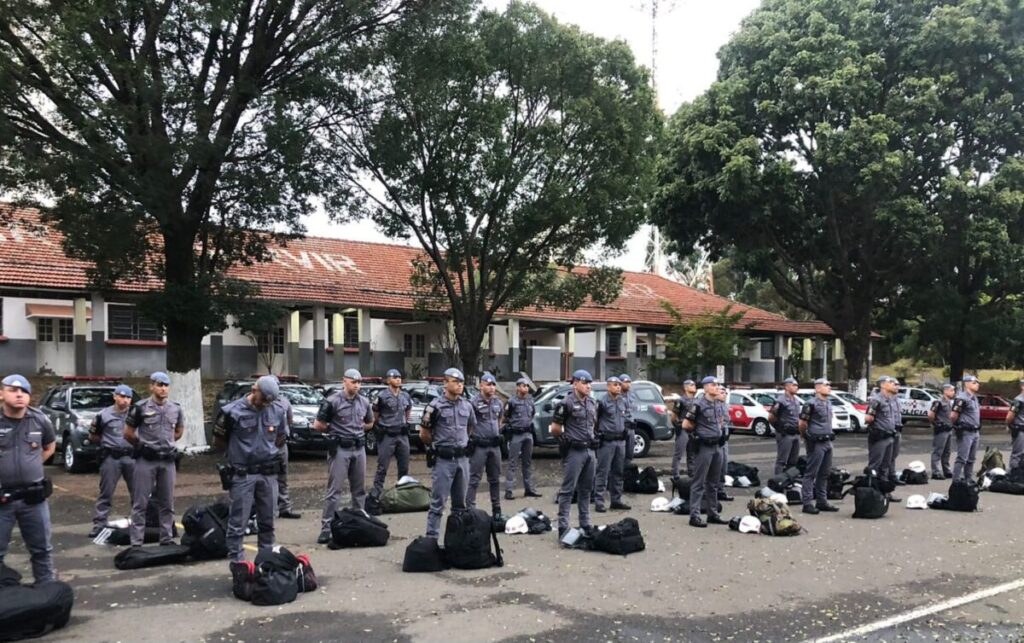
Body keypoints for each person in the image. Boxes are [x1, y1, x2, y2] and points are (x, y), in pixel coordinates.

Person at [214, 376, 287, 562]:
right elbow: (219, 442)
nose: (265, 405)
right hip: (242, 475)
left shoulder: (277, 410)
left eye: (270, 402)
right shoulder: (231, 412)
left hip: (268, 474)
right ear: (254, 391)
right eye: (263, 400)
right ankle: (238, 565)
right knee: (238, 523)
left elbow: (280, 438)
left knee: (268, 522)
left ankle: (266, 562)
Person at [0, 374, 57, 583]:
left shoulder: (40, 419)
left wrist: (31, 465)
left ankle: (47, 594)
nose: (19, 395)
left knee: (42, 551)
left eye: (24, 391)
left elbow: (49, 447)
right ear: (1, 393)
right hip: (2, 500)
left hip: (33, 498)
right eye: (13, 390)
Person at [314, 368, 374, 544]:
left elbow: (370, 422)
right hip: (340, 448)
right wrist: (335, 431)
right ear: (344, 381)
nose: (357, 386)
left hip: (359, 448)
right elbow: (318, 424)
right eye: (353, 382)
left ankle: (360, 525)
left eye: (359, 383)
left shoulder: (364, 402)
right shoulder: (332, 401)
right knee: (335, 490)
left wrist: (356, 429)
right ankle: (326, 528)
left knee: (359, 489)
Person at [124, 371, 183, 547]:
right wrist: (142, 446)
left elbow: (179, 431)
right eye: (159, 385)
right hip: (146, 460)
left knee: (167, 502)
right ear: (151, 386)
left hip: (167, 460)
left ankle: (166, 539)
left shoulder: (176, 408)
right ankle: (136, 541)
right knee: (140, 502)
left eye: (166, 385)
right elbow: (128, 433)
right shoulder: (140, 407)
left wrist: (167, 443)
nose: (163, 389)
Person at [421, 368, 477, 539]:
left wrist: (462, 443)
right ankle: (432, 540)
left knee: (460, 505)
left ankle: (456, 541)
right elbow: (424, 434)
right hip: (444, 461)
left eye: (461, 382)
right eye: (455, 381)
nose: (459, 385)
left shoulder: (467, 405)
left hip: (462, 459)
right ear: (445, 383)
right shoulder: (434, 407)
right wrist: (439, 446)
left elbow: (470, 426)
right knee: (438, 503)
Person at [550, 369, 599, 539]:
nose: (588, 386)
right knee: (568, 490)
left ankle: (585, 523)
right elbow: (555, 428)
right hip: (574, 451)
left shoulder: (592, 403)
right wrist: (565, 440)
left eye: (589, 383)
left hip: (590, 450)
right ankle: (563, 525)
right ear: (575, 383)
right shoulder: (566, 403)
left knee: (586, 489)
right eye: (585, 383)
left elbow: (593, 425)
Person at [88, 384, 136, 537]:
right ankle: (99, 524)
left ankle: (140, 523)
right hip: (111, 457)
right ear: (115, 396)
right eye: (121, 396)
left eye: (128, 397)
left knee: (138, 492)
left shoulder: (136, 414)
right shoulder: (103, 415)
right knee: (106, 492)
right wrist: (108, 444)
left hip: (131, 456)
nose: (124, 400)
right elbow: (94, 436)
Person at [683, 376, 729, 528]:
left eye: (717, 385)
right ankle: (694, 515)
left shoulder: (717, 403)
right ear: (706, 387)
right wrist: (698, 434)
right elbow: (686, 424)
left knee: (714, 483)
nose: (717, 387)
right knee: (699, 482)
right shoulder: (698, 404)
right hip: (704, 446)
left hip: (717, 446)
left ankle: (712, 513)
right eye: (714, 385)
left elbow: (721, 422)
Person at [370, 369, 413, 504]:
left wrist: (404, 422)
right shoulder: (382, 396)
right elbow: (375, 414)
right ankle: (376, 493)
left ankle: (403, 493)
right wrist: (382, 424)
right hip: (387, 434)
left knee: (404, 466)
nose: (398, 379)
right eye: (395, 377)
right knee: (382, 466)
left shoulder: (405, 395)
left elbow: (408, 410)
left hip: (402, 434)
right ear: (388, 380)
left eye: (399, 377)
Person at [467, 372, 505, 517]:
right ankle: (470, 509)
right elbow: (469, 424)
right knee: (474, 479)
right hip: (479, 446)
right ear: (481, 385)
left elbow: (500, 419)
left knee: (495, 479)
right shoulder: (473, 403)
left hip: (494, 446)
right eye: (488, 384)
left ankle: (497, 509)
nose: (492, 387)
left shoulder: (498, 402)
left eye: (493, 384)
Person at [799, 378, 838, 514]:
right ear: (817, 388)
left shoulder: (828, 403)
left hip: (827, 441)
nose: (829, 387)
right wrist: (806, 436)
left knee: (825, 473)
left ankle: (822, 501)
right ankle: (807, 503)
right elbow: (802, 422)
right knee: (811, 473)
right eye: (826, 385)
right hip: (816, 442)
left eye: (829, 384)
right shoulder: (810, 404)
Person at [594, 376, 631, 512]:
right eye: (615, 385)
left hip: (620, 441)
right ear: (608, 386)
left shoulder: (622, 401)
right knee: (603, 472)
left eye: (619, 385)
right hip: (607, 441)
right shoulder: (602, 402)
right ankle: (599, 501)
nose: (618, 387)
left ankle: (616, 500)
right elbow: (595, 420)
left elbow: (625, 417)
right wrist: (597, 436)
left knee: (618, 472)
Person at [504, 377, 541, 500]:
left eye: (527, 386)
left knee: (528, 462)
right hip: (516, 435)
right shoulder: (512, 402)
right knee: (513, 463)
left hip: (528, 434)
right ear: (518, 387)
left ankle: (529, 489)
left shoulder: (530, 401)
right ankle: (509, 490)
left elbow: (532, 414)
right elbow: (506, 417)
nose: (526, 388)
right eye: (523, 386)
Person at [865, 375, 901, 502]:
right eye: (890, 382)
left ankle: (885, 493)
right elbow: (868, 418)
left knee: (886, 466)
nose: (893, 384)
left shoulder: (891, 399)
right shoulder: (876, 400)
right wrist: (877, 428)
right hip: (880, 437)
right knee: (875, 466)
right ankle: (871, 492)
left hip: (890, 436)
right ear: (882, 385)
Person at [271, 376, 301, 520]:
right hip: (266, 446)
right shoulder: (262, 403)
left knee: (282, 477)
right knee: (266, 479)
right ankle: (269, 509)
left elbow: (290, 420)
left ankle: (284, 507)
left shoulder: (284, 401)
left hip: (281, 445)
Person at [951, 375, 982, 481]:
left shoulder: (974, 398)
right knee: (962, 458)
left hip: (975, 431)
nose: (977, 384)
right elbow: (953, 415)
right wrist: (958, 427)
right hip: (965, 431)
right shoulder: (961, 398)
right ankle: (956, 481)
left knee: (971, 458)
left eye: (977, 382)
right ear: (966, 384)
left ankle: (968, 479)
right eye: (974, 382)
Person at [769, 377, 803, 476]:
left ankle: (789, 479)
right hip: (785, 434)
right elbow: (771, 417)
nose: (797, 387)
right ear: (787, 387)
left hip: (795, 433)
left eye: (797, 385)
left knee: (793, 460)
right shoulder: (780, 401)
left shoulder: (796, 400)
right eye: (794, 385)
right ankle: (778, 480)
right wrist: (780, 428)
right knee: (782, 460)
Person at [670, 379, 697, 479]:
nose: (694, 386)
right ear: (686, 387)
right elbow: (673, 417)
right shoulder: (680, 400)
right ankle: (675, 475)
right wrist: (678, 427)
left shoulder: (696, 401)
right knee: (678, 454)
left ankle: (692, 474)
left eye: (694, 384)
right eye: (691, 385)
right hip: (683, 429)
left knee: (692, 454)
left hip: (693, 430)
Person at [929, 384, 956, 480]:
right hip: (941, 429)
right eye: (952, 390)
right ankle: (935, 471)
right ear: (946, 391)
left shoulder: (950, 402)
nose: (953, 392)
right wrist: (935, 423)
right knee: (938, 451)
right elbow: (931, 414)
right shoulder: (938, 402)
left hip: (949, 429)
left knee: (947, 452)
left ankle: (946, 470)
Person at [620, 375, 639, 463]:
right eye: (625, 382)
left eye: (629, 382)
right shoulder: (617, 395)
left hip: (631, 427)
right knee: (620, 454)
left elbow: (633, 409)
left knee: (630, 453)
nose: (628, 384)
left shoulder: (632, 394)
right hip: (621, 427)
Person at [1007, 379, 1024, 472]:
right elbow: (1009, 417)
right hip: (1020, 430)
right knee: (1017, 455)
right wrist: (1011, 426)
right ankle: (1012, 475)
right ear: (1022, 386)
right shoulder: (1018, 400)